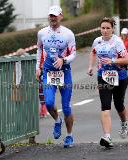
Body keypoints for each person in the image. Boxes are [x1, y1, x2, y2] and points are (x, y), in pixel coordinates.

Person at [36, 5, 76, 148]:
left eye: (55, 16)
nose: (52, 18)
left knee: (66, 107)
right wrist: (37, 68)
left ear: (61, 16)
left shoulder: (68, 34)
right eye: (50, 16)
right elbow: (39, 50)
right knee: (48, 102)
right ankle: (58, 121)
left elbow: (73, 54)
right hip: (48, 70)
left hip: (64, 71)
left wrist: (63, 60)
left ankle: (69, 136)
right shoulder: (42, 33)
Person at [87, 17, 128, 148]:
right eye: (103, 28)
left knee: (118, 104)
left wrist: (113, 61)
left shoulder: (117, 42)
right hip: (103, 76)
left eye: (108, 28)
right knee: (105, 105)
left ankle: (124, 123)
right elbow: (93, 52)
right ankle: (107, 136)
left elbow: (127, 60)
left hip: (120, 76)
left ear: (112, 29)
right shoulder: (97, 41)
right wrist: (91, 66)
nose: (105, 31)